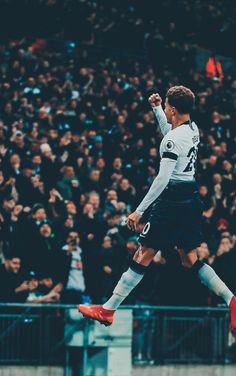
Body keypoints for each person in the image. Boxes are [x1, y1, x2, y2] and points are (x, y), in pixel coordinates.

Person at [78, 85, 236, 330]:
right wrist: (156, 111)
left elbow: (162, 178)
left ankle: (108, 309)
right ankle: (231, 300)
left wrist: (139, 210)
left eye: (165, 106)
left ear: (172, 108)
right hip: (191, 199)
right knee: (190, 259)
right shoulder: (192, 129)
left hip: (171, 200)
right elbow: (170, 139)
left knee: (143, 253)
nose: (164, 108)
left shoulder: (174, 139)